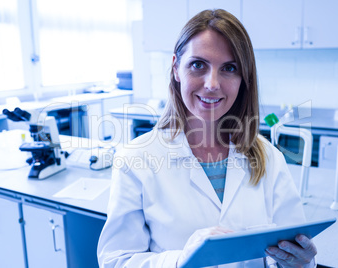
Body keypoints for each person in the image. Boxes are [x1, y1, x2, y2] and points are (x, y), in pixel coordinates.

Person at [97, 9, 317, 268]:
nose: (212, 83)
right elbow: (116, 261)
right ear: (176, 68)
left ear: (243, 79)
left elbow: (293, 251)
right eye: (198, 65)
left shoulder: (269, 157)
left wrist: (298, 263)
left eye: (229, 68)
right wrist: (182, 260)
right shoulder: (136, 159)